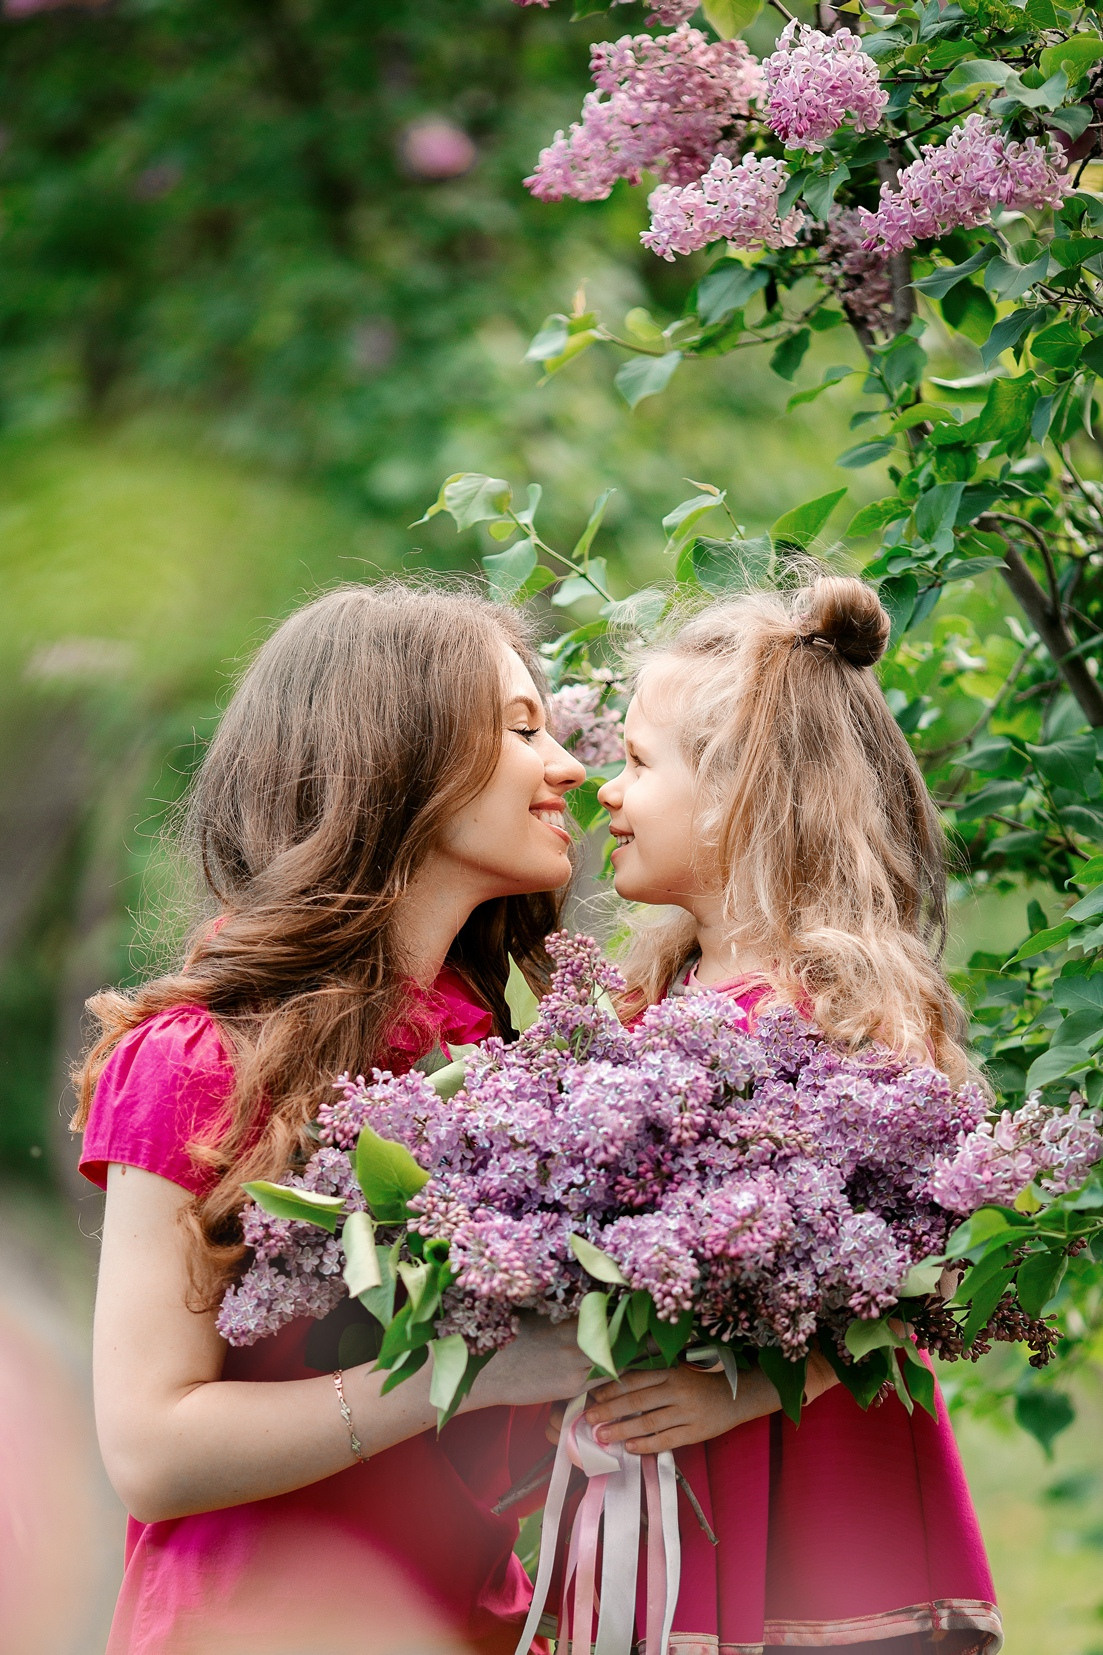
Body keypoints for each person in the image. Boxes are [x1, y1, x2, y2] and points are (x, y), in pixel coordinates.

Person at [72, 582, 594, 1655]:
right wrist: (469, 1366)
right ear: (395, 752)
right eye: (522, 726)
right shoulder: (199, 1061)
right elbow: (151, 1450)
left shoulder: (503, 1068)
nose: (569, 767)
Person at [583, 577, 1001, 1653]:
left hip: (826, 1504)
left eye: (633, 763)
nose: (604, 791)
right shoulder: (648, 1006)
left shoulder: (837, 1008)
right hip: (686, 1493)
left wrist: (754, 1387)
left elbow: (937, 1263)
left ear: (731, 794)